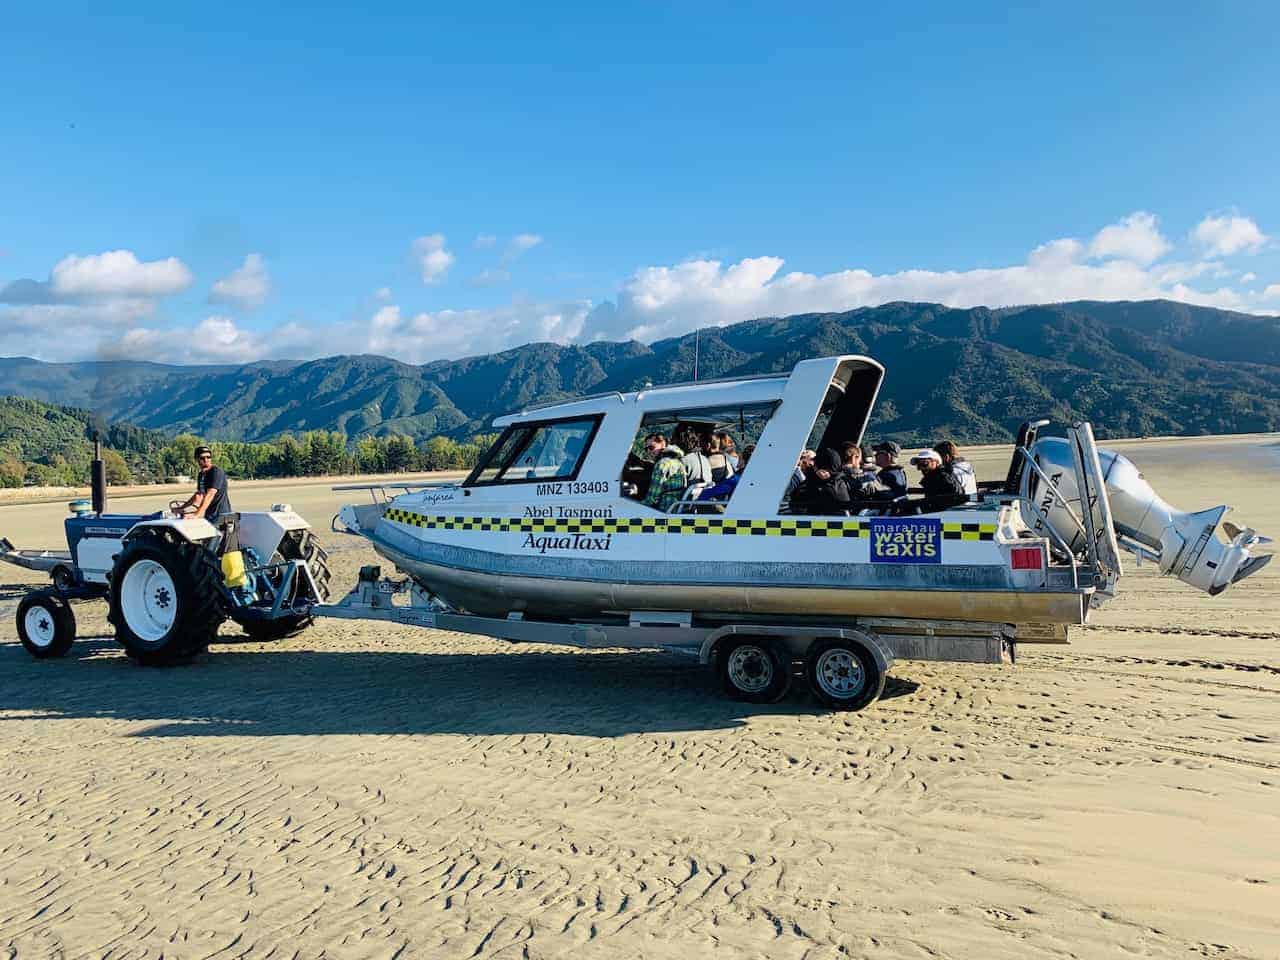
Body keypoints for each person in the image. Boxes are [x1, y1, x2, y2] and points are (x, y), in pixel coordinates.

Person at [790, 448, 854, 515]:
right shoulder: (839, 482)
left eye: (815, 466)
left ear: (823, 470)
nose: (813, 467)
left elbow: (796, 499)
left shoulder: (824, 490)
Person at [642, 433, 689, 511]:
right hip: (676, 507)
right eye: (646, 449)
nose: (648, 451)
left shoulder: (662, 464)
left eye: (651, 447)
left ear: (663, 444)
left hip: (664, 508)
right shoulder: (677, 460)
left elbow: (651, 499)